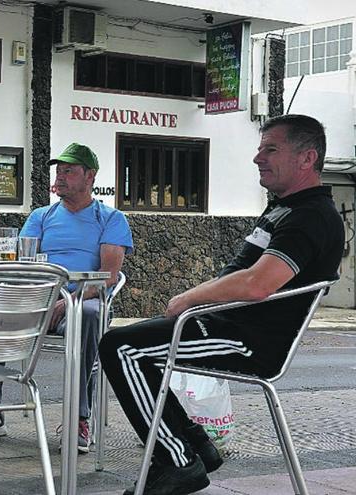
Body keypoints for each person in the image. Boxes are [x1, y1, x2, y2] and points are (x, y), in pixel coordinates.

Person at [98, 114, 344, 495]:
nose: (257, 157)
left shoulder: (311, 216)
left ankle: (178, 462)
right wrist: (196, 303)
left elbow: (257, 284)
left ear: (307, 158)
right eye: (260, 147)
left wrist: (188, 298)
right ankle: (196, 445)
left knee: (122, 348)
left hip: (249, 341)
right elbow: (242, 275)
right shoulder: (285, 208)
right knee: (129, 342)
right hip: (224, 326)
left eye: (270, 149)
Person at [0, 143, 133, 455]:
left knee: (86, 314)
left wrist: (67, 301)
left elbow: (108, 277)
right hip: (41, 299)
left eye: (69, 171)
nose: (60, 177)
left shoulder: (110, 218)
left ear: (90, 176)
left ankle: (79, 418)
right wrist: (42, 299)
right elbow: (24, 266)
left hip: (82, 300)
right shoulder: (41, 216)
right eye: (59, 171)